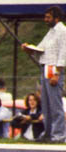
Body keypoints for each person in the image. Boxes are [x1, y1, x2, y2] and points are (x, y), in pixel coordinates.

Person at [23, 6, 66, 142]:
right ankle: (48, 133)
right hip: (45, 67)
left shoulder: (62, 31)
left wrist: (57, 73)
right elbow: (42, 48)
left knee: (55, 104)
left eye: (48, 17)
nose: (45, 20)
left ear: (56, 18)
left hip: (53, 69)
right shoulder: (50, 32)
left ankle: (59, 134)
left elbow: (63, 53)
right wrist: (30, 49)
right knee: (46, 104)